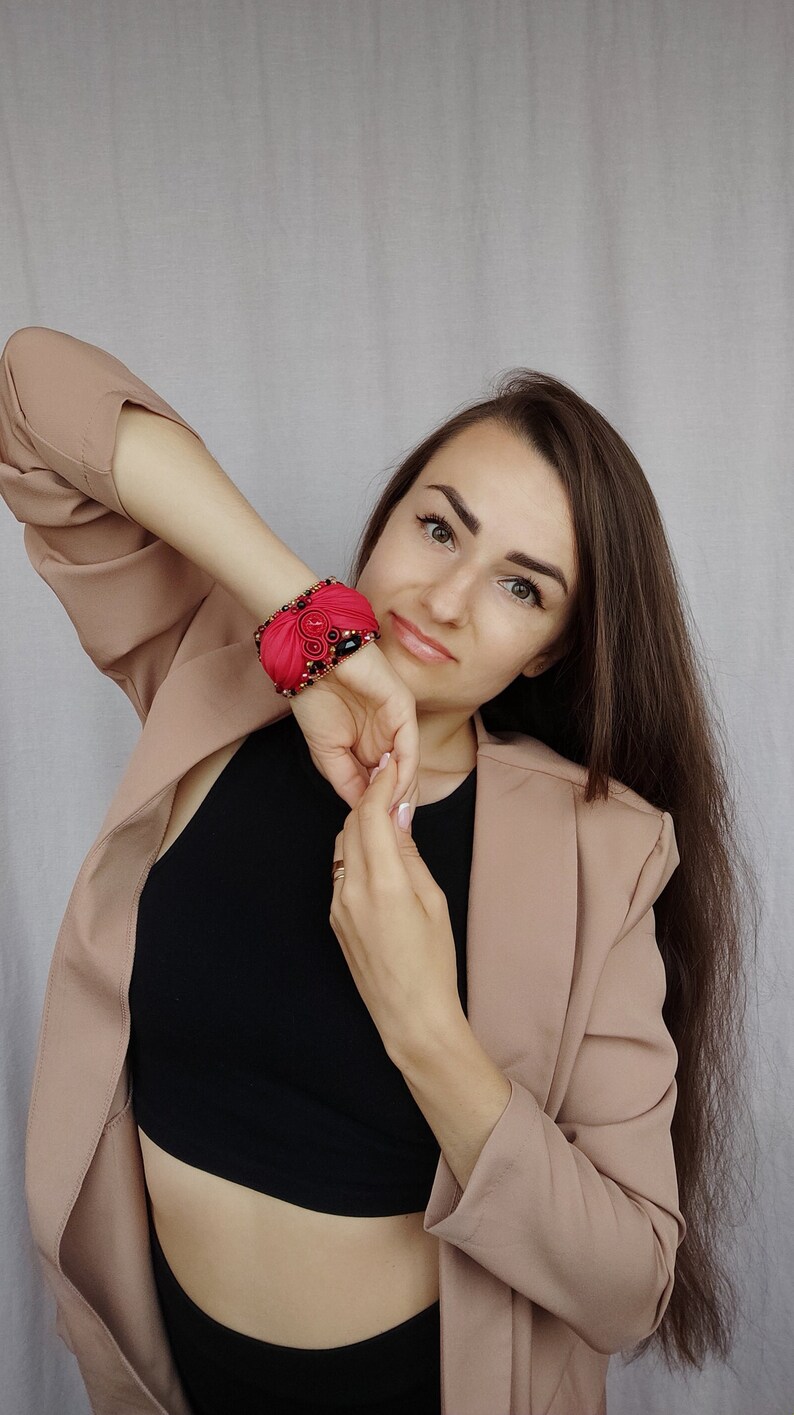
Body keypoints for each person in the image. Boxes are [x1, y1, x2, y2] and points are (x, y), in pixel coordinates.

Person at [0, 327, 757, 1415]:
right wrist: (304, 625)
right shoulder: (210, 684)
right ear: (390, 512)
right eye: (438, 524)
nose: (445, 597)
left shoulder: (600, 846)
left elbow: (629, 1282)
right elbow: (29, 393)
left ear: (548, 648)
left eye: (520, 587)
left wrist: (423, 1025)